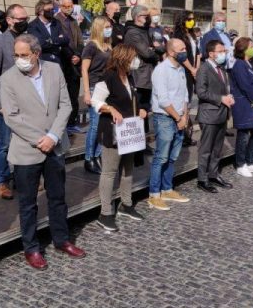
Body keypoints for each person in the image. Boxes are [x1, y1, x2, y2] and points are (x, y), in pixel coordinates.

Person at [0, 34, 85, 270]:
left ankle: (61, 239)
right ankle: (32, 248)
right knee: (28, 203)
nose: (19, 59)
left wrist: (53, 136)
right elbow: (11, 117)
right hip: (27, 150)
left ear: (36, 54)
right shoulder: (8, 78)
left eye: (24, 55)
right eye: (16, 55)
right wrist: (40, 140)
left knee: (57, 197)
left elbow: (65, 105)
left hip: (55, 146)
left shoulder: (54, 70)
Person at [90, 44, 147, 231]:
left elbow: (131, 100)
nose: (136, 61)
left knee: (128, 170)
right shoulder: (108, 77)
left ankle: (126, 204)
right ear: (123, 58)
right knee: (109, 172)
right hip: (113, 132)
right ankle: (105, 212)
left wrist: (140, 109)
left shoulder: (129, 76)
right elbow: (95, 101)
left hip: (130, 132)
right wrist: (111, 109)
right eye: (133, 57)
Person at [0, 3, 29, 199]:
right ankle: (2, 180)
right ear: (10, 20)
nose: (24, 22)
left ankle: (22, 178)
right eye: (20, 19)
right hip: (7, 102)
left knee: (24, 141)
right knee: (4, 144)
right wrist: (0, 104)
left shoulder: (28, 40)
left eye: (26, 19)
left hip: (27, 101)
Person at [148, 38, 192, 210]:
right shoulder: (161, 70)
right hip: (165, 118)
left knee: (173, 157)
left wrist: (185, 116)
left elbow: (185, 95)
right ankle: (154, 194)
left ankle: (167, 189)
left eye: (185, 48)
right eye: (182, 49)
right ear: (172, 52)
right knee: (161, 157)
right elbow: (163, 100)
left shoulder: (180, 68)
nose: (185, 52)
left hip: (180, 117)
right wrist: (178, 118)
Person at [195, 40, 235, 193]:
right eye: (220, 51)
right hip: (209, 114)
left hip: (222, 113)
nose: (223, 53)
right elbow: (201, 92)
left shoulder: (221, 69)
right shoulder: (204, 69)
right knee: (206, 149)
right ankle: (202, 179)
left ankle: (213, 174)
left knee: (217, 148)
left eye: (224, 51)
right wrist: (221, 99)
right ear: (211, 53)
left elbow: (223, 89)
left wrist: (228, 97)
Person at [230, 37, 253, 177]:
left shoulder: (248, 63)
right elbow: (245, 86)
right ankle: (240, 164)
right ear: (244, 49)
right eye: (251, 46)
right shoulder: (239, 65)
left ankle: (250, 161)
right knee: (244, 135)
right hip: (243, 104)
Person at [81, 16, 111, 174]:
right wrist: (86, 92)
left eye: (110, 26)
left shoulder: (108, 46)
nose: (109, 29)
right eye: (106, 27)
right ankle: (88, 158)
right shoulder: (91, 46)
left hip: (107, 88)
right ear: (99, 28)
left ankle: (97, 155)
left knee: (104, 124)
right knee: (95, 124)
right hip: (94, 87)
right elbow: (84, 69)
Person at [123, 5, 159, 132]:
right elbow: (147, 53)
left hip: (146, 75)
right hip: (138, 76)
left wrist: (154, 49)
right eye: (146, 16)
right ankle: (136, 138)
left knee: (144, 108)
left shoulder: (144, 30)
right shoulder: (133, 32)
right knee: (137, 109)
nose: (149, 18)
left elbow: (153, 48)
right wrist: (156, 50)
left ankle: (143, 137)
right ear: (137, 17)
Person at [55, 0, 84, 134]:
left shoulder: (73, 21)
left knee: (74, 94)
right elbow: (59, 42)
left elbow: (80, 41)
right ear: (60, 7)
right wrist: (70, 56)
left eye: (70, 6)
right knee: (62, 96)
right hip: (63, 61)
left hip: (75, 64)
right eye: (66, 6)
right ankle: (62, 124)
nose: (69, 8)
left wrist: (78, 55)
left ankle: (72, 122)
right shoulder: (55, 21)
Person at [172, 10, 200, 147]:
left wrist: (197, 68)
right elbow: (181, 55)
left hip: (193, 71)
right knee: (183, 102)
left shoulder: (192, 34)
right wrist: (191, 69)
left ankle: (186, 134)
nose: (191, 21)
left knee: (188, 102)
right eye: (189, 19)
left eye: (193, 19)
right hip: (183, 71)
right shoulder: (178, 35)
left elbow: (198, 53)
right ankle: (181, 134)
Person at [28, 0, 69, 65]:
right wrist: (58, 40)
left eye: (52, 9)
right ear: (41, 11)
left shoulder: (56, 23)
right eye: (48, 10)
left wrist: (49, 40)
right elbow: (40, 44)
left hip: (58, 61)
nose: (52, 11)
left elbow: (66, 39)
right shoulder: (33, 25)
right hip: (43, 62)